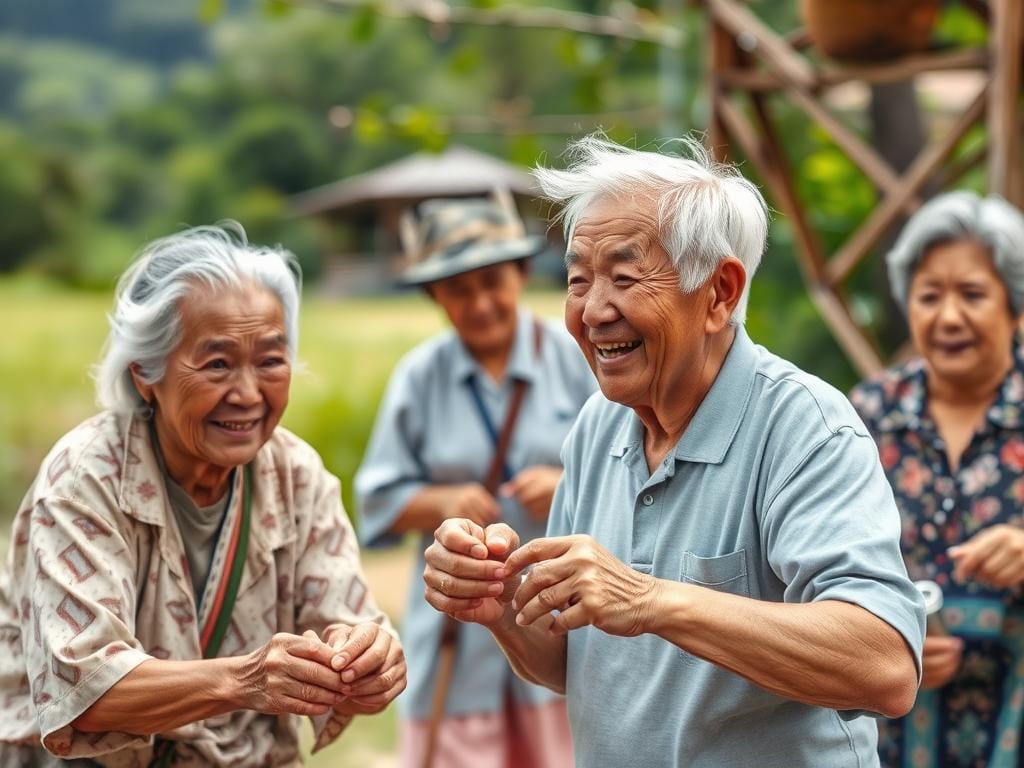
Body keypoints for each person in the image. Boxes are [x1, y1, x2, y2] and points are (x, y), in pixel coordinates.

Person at [422, 136, 925, 767]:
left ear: (718, 293)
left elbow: (884, 665)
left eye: (626, 278)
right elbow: (572, 665)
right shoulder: (599, 425)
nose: (593, 310)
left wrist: (649, 600)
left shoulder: (804, 428)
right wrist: (498, 606)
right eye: (578, 280)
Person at [0, 223, 405, 766]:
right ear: (146, 372)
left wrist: (370, 663)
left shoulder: (296, 474)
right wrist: (247, 680)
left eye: (270, 360)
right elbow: (85, 689)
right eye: (216, 364)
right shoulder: (85, 478)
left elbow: (346, 626)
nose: (247, 393)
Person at [355, 192, 595, 767]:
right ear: (435, 296)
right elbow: (376, 500)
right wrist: (441, 501)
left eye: (493, 281)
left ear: (520, 274)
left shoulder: (578, 358)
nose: (480, 303)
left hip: (558, 624)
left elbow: (628, 472)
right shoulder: (419, 376)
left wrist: (565, 483)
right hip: (456, 639)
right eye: (458, 290)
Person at [850, 191, 1024, 767]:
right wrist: (888, 641)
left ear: (1015, 307)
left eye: (972, 295)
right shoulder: (866, 415)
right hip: (893, 732)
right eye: (929, 297)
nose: (948, 317)